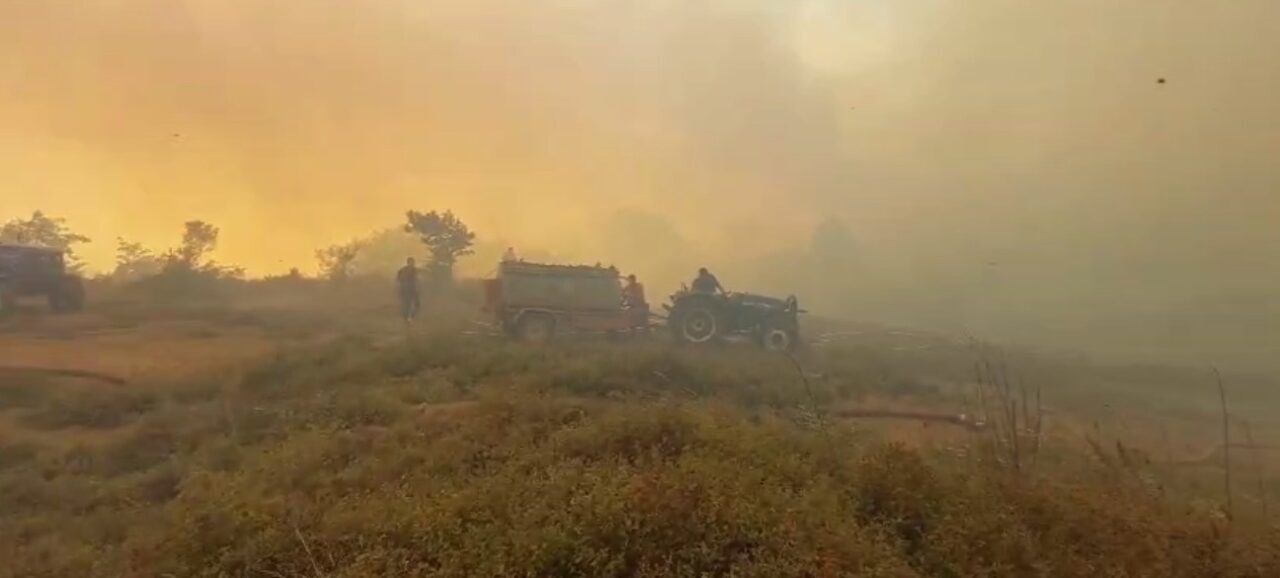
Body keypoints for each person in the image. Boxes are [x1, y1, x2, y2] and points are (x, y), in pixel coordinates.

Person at [396, 257, 420, 323]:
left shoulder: (406, 269)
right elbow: (398, 279)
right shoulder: (410, 270)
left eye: (413, 262)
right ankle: (407, 318)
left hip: (409, 288)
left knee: (415, 304)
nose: (413, 263)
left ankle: (409, 317)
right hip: (408, 289)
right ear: (409, 262)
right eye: (412, 262)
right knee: (408, 304)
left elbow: (398, 279)